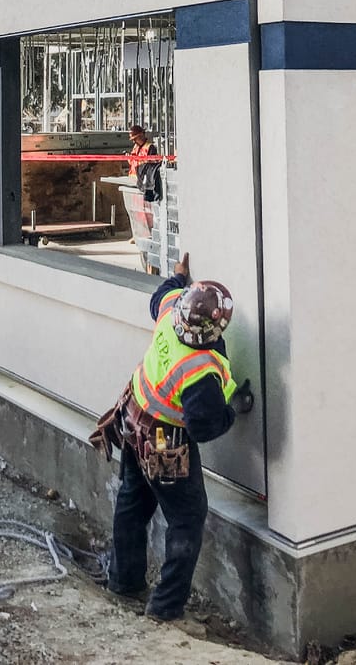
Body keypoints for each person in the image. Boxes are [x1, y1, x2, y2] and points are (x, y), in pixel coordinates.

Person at [91, 252, 255, 622]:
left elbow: (160, 295)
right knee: (187, 516)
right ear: (215, 329)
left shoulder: (171, 312)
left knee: (133, 501)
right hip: (163, 438)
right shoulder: (199, 370)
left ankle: (124, 580)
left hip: (134, 418)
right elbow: (204, 426)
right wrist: (233, 408)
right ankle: (165, 607)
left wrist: (179, 277)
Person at [127, 124, 162, 203]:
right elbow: (133, 162)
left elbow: (150, 166)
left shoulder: (150, 147)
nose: (134, 141)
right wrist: (129, 158)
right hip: (133, 178)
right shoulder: (136, 147)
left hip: (143, 180)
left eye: (135, 139)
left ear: (141, 135)